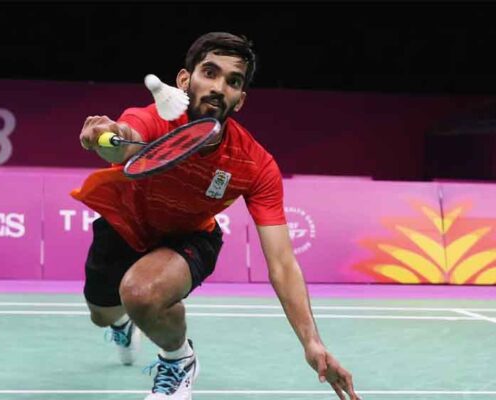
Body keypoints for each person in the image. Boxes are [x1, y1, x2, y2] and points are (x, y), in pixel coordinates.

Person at [73, 32, 361, 400]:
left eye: (233, 81)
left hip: (190, 237)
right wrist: (107, 135)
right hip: (124, 226)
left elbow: (282, 263)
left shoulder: (255, 164)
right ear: (184, 80)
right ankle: (123, 324)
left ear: (240, 100)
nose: (219, 88)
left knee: (141, 293)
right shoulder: (155, 119)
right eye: (209, 73)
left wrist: (312, 342)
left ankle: (178, 362)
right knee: (102, 314)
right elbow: (126, 140)